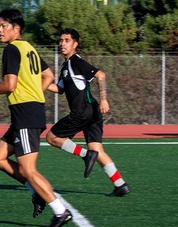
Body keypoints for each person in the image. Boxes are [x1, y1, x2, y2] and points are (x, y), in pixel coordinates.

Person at [0, 8, 72, 227]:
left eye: (4, 26)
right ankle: (36, 192)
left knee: (29, 169)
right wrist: (35, 92)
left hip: (26, 114)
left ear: (16, 28)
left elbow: (10, 85)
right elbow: (48, 75)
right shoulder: (29, 48)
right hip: (25, 113)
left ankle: (61, 211)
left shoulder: (11, 49)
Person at [45, 28, 130, 197]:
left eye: (67, 40)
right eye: (61, 40)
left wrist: (104, 99)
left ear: (75, 44)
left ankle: (85, 155)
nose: (62, 44)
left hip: (82, 112)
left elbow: (101, 75)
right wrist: (41, 83)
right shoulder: (65, 66)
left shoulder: (76, 62)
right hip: (92, 112)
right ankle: (120, 185)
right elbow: (60, 89)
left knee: (52, 137)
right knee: (97, 149)